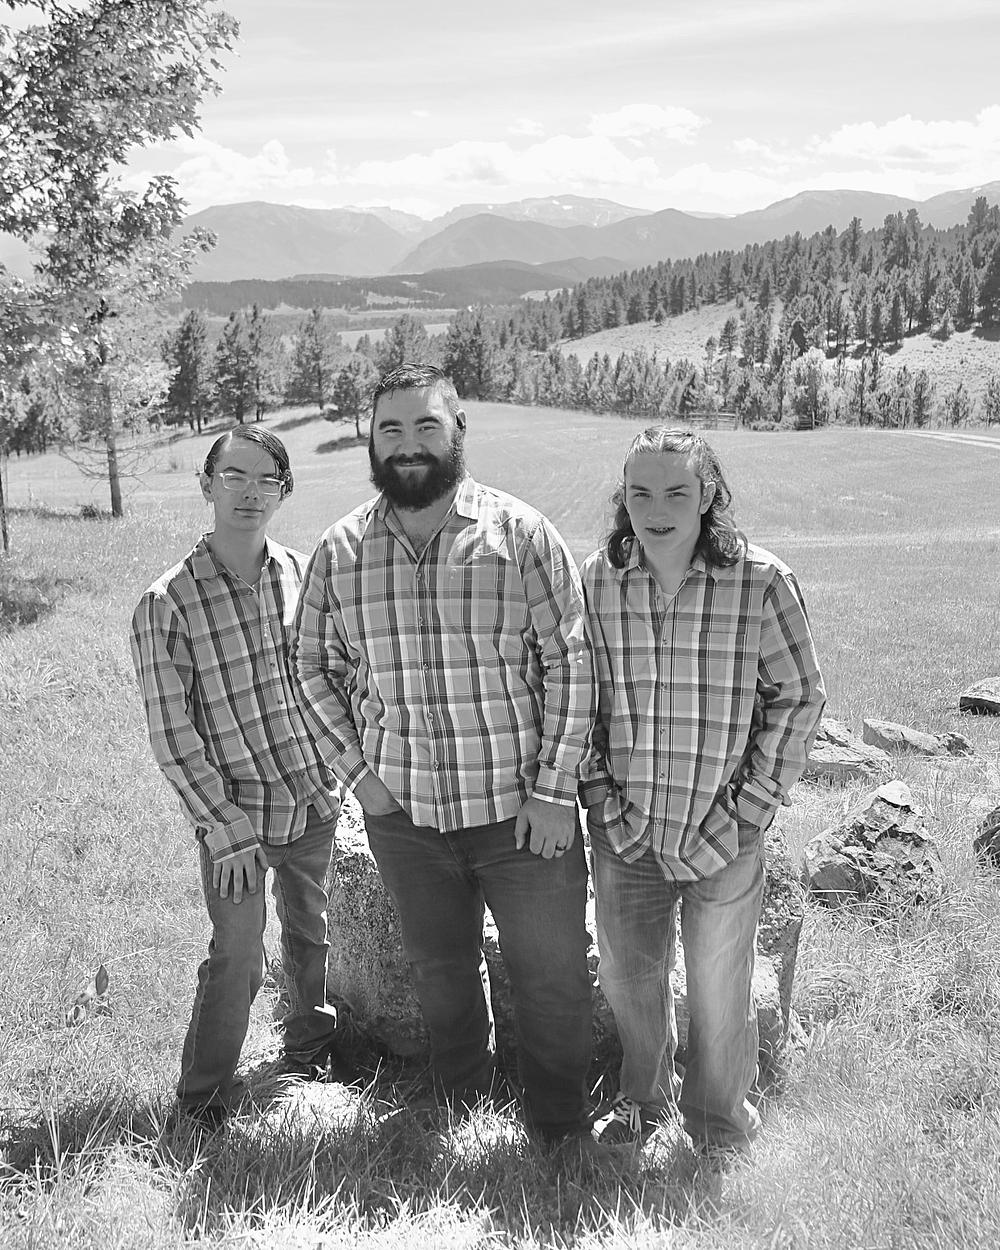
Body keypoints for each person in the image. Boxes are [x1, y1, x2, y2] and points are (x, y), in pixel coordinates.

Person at [289, 363, 595, 1147]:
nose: (408, 444)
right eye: (390, 428)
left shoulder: (520, 534)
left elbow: (570, 663)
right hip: (406, 818)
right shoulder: (342, 550)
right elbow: (311, 666)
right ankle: (463, 1115)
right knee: (442, 976)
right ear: (369, 440)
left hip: (522, 814)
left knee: (553, 978)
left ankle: (560, 1134)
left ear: (459, 429)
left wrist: (555, 791)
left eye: (427, 425)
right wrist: (363, 780)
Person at [580, 426, 825, 1160]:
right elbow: (574, 696)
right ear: (623, 497)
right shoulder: (597, 581)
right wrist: (601, 797)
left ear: (708, 493)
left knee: (721, 986)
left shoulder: (761, 582)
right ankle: (643, 1101)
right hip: (626, 829)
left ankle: (719, 1124)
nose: (657, 510)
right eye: (641, 493)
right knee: (629, 977)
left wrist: (750, 810)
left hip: (722, 830)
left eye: (676, 492)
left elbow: (798, 698)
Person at [130, 425, 343, 1127]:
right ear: (206, 484)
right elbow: (172, 735)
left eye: (267, 480)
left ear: (283, 492)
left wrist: (340, 773)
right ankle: (203, 1101)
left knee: (312, 930)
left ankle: (310, 1051)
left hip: (312, 797)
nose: (251, 493)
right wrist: (225, 829)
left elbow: (334, 680)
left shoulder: (304, 575)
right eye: (235, 476)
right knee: (238, 954)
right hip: (237, 817)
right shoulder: (167, 603)